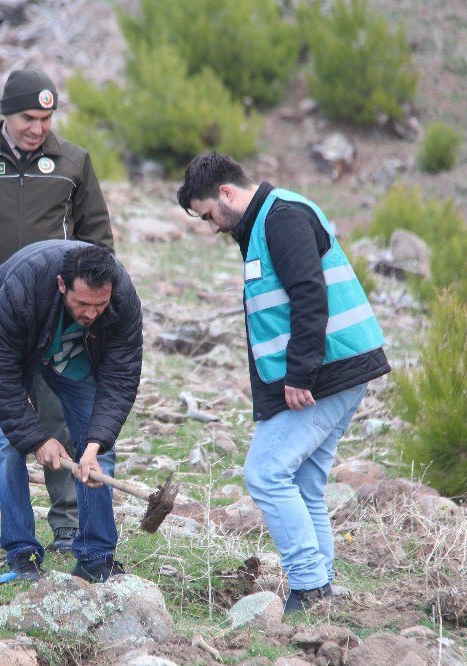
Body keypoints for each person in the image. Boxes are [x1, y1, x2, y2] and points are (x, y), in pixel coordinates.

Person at [176, 153, 390, 614]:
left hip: (327, 374)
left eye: (209, 215)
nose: (212, 227)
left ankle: (309, 585)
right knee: (307, 482)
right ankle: (321, 588)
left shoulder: (283, 217)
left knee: (266, 473)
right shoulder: (262, 222)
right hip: (334, 371)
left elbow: (310, 294)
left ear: (227, 194)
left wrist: (299, 374)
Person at [0, 68, 114, 553]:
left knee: (58, 416)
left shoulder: (74, 162)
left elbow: (98, 239)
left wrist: (89, 305)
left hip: (56, 318)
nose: (38, 127)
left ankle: (68, 525)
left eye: (46, 118)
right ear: (6, 113)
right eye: (29, 117)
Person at [0, 241, 142, 582]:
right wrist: (37, 439)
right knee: (8, 446)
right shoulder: (22, 288)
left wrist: (96, 443)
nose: (90, 314)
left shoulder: (122, 297)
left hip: (72, 358)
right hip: (17, 354)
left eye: (99, 305)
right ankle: (21, 553)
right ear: (61, 285)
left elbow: (121, 379)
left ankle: (96, 556)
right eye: (81, 303)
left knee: (97, 454)